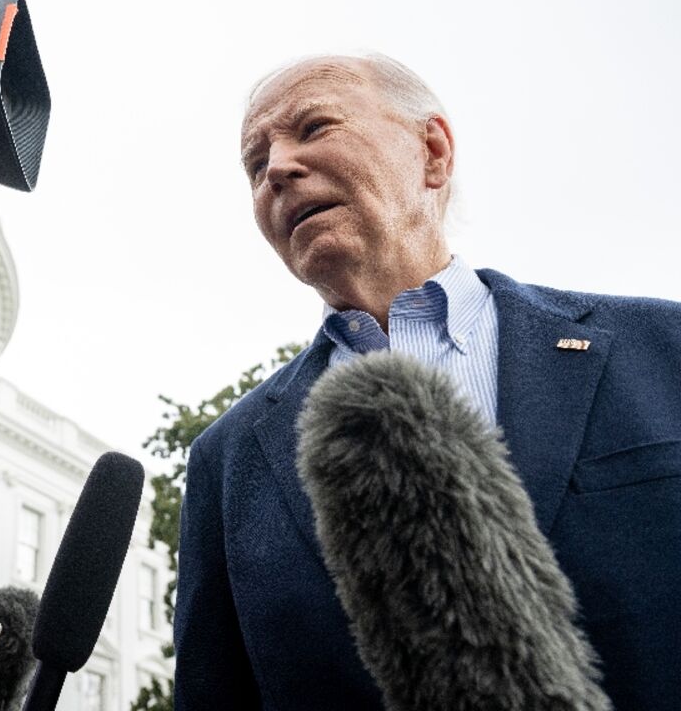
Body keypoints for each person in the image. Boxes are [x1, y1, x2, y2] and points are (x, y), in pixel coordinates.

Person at [172, 53, 681, 709]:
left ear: (433, 152)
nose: (277, 168)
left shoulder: (663, 349)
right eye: (254, 163)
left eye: (314, 127)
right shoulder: (228, 459)